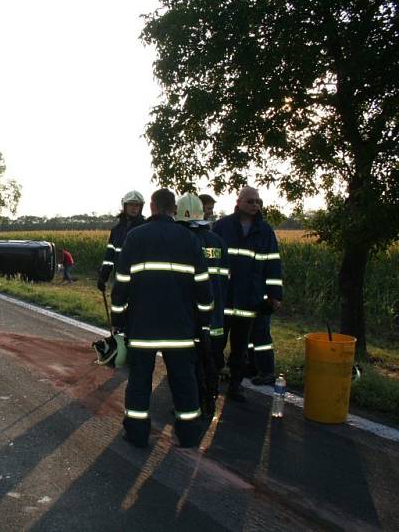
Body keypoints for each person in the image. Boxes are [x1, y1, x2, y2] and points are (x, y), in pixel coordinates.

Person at [111, 189, 213, 448]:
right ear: (173, 210)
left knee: (139, 381)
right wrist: (203, 323)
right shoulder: (189, 239)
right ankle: (189, 433)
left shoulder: (135, 237)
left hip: (143, 326)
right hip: (180, 327)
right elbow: (203, 285)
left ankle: (136, 433)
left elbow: (121, 283)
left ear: (153, 206)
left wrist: (119, 321)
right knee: (184, 381)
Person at [212, 187, 282, 401]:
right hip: (223, 299)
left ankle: (235, 385)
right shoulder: (222, 226)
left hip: (247, 300)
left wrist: (274, 295)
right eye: (250, 201)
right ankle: (211, 383)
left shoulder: (265, 231)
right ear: (239, 201)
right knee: (215, 345)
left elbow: (273, 265)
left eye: (258, 202)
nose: (255, 206)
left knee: (241, 348)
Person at [175, 193, 229, 417]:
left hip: (190, 316)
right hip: (215, 314)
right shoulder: (218, 241)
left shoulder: (183, 241)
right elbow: (224, 279)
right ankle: (211, 397)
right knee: (212, 358)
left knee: (190, 361)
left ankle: (195, 402)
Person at [97, 190, 146, 293]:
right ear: (124, 206)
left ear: (141, 207)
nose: (134, 208)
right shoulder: (116, 230)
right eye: (131, 205)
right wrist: (103, 277)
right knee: (118, 308)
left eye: (137, 205)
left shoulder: (146, 228)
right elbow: (109, 257)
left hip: (140, 281)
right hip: (120, 280)